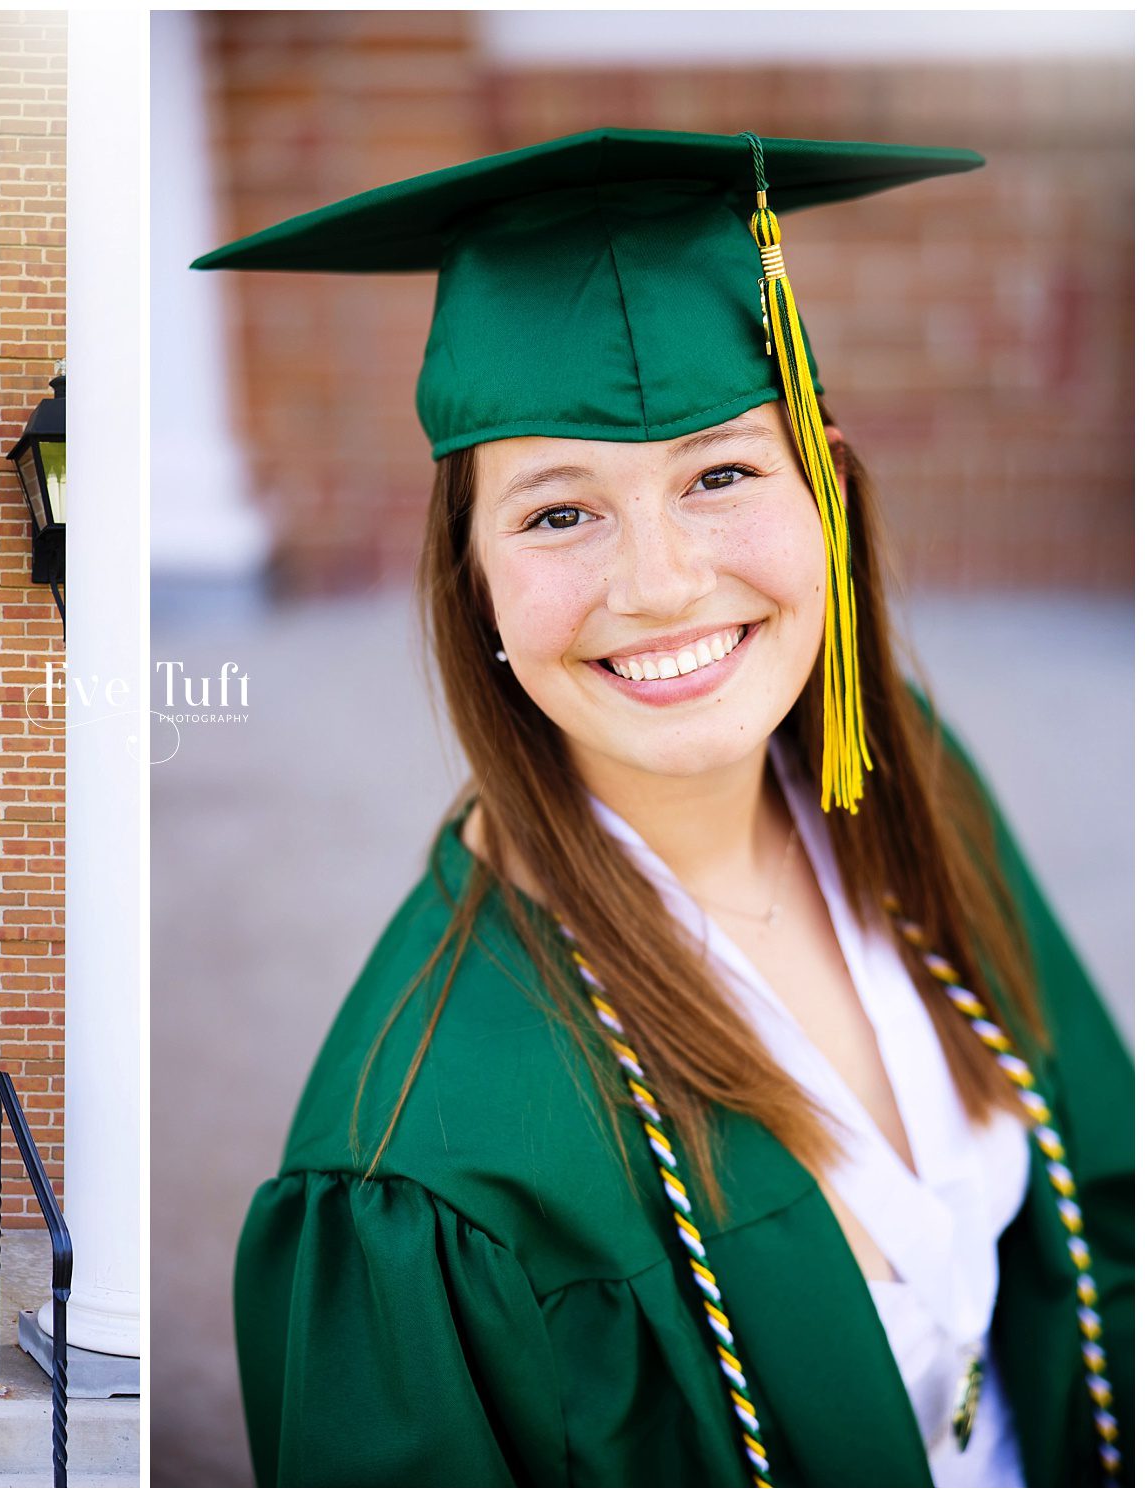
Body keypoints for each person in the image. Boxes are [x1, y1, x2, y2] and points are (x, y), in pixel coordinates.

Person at [197, 129, 1133, 1485]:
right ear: (474, 586)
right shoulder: (420, 1163)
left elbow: (1106, 1202)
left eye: (721, 473)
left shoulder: (903, 777)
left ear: (828, 490)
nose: (662, 583)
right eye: (559, 513)